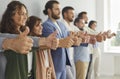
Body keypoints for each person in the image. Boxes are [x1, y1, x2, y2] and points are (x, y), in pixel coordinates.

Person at [0, 1, 58, 79]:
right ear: (10, 15)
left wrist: (46, 41)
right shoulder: (4, 34)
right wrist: (45, 41)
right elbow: (10, 38)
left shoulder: (25, 34)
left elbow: (32, 42)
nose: (24, 17)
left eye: (25, 14)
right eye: (21, 13)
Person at [42, 1, 81, 79]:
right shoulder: (46, 25)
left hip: (64, 63)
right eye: (56, 9)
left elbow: (68, 39)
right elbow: (55, 43)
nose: (59, 12)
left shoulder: (61, 25)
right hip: (54, 64)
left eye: (59, 9)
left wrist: (75, 40)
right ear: (49, 11)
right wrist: (69, 39)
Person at [61, 6, 81, 79]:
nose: (73, 15)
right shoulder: (61, 24)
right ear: (65, 14)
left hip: (71, 57)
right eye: (71, 13)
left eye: (74, 13)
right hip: (65, 59)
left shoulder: (72, 25)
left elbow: (80, 33)